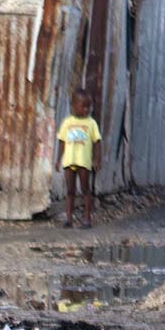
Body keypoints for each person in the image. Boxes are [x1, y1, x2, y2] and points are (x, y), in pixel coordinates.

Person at [54, 89, 102, 228]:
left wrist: (97, 159)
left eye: (89, 107)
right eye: (83, 106)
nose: (87, 110)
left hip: (83, 162)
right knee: (70, 191)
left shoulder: (91, 123)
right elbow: (62, 141)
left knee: (85, 190)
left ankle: (87, 218)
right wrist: (58, 159)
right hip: (69, 161)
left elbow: (97, 141)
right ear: (73, 105)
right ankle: (69, 219)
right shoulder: (67, 122)